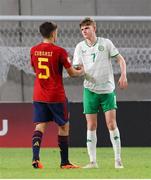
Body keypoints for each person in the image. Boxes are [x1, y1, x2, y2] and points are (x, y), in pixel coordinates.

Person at [73, 17, 128, 169]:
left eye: (87, 28)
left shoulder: (106, 43)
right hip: (90, 90)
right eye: (82, 29)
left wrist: (123, 75)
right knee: (91, 125)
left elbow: (120, 60)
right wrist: (78, 71)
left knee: (111, 124)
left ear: (94, 28)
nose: (85, 31)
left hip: (107, 90)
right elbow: (78, 68)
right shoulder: (79, 47)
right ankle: (92, 162)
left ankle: (118, 160)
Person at [30, 21, 84, 169]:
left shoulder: (34, 50)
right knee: (64, 125)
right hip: (56, 95)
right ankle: (64, 162)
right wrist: (82, 71)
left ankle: (35, 158)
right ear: (53, 33)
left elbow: (36, 69)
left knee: (40, 125)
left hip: (39, 94)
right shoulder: (59, 51)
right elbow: (72, 73)